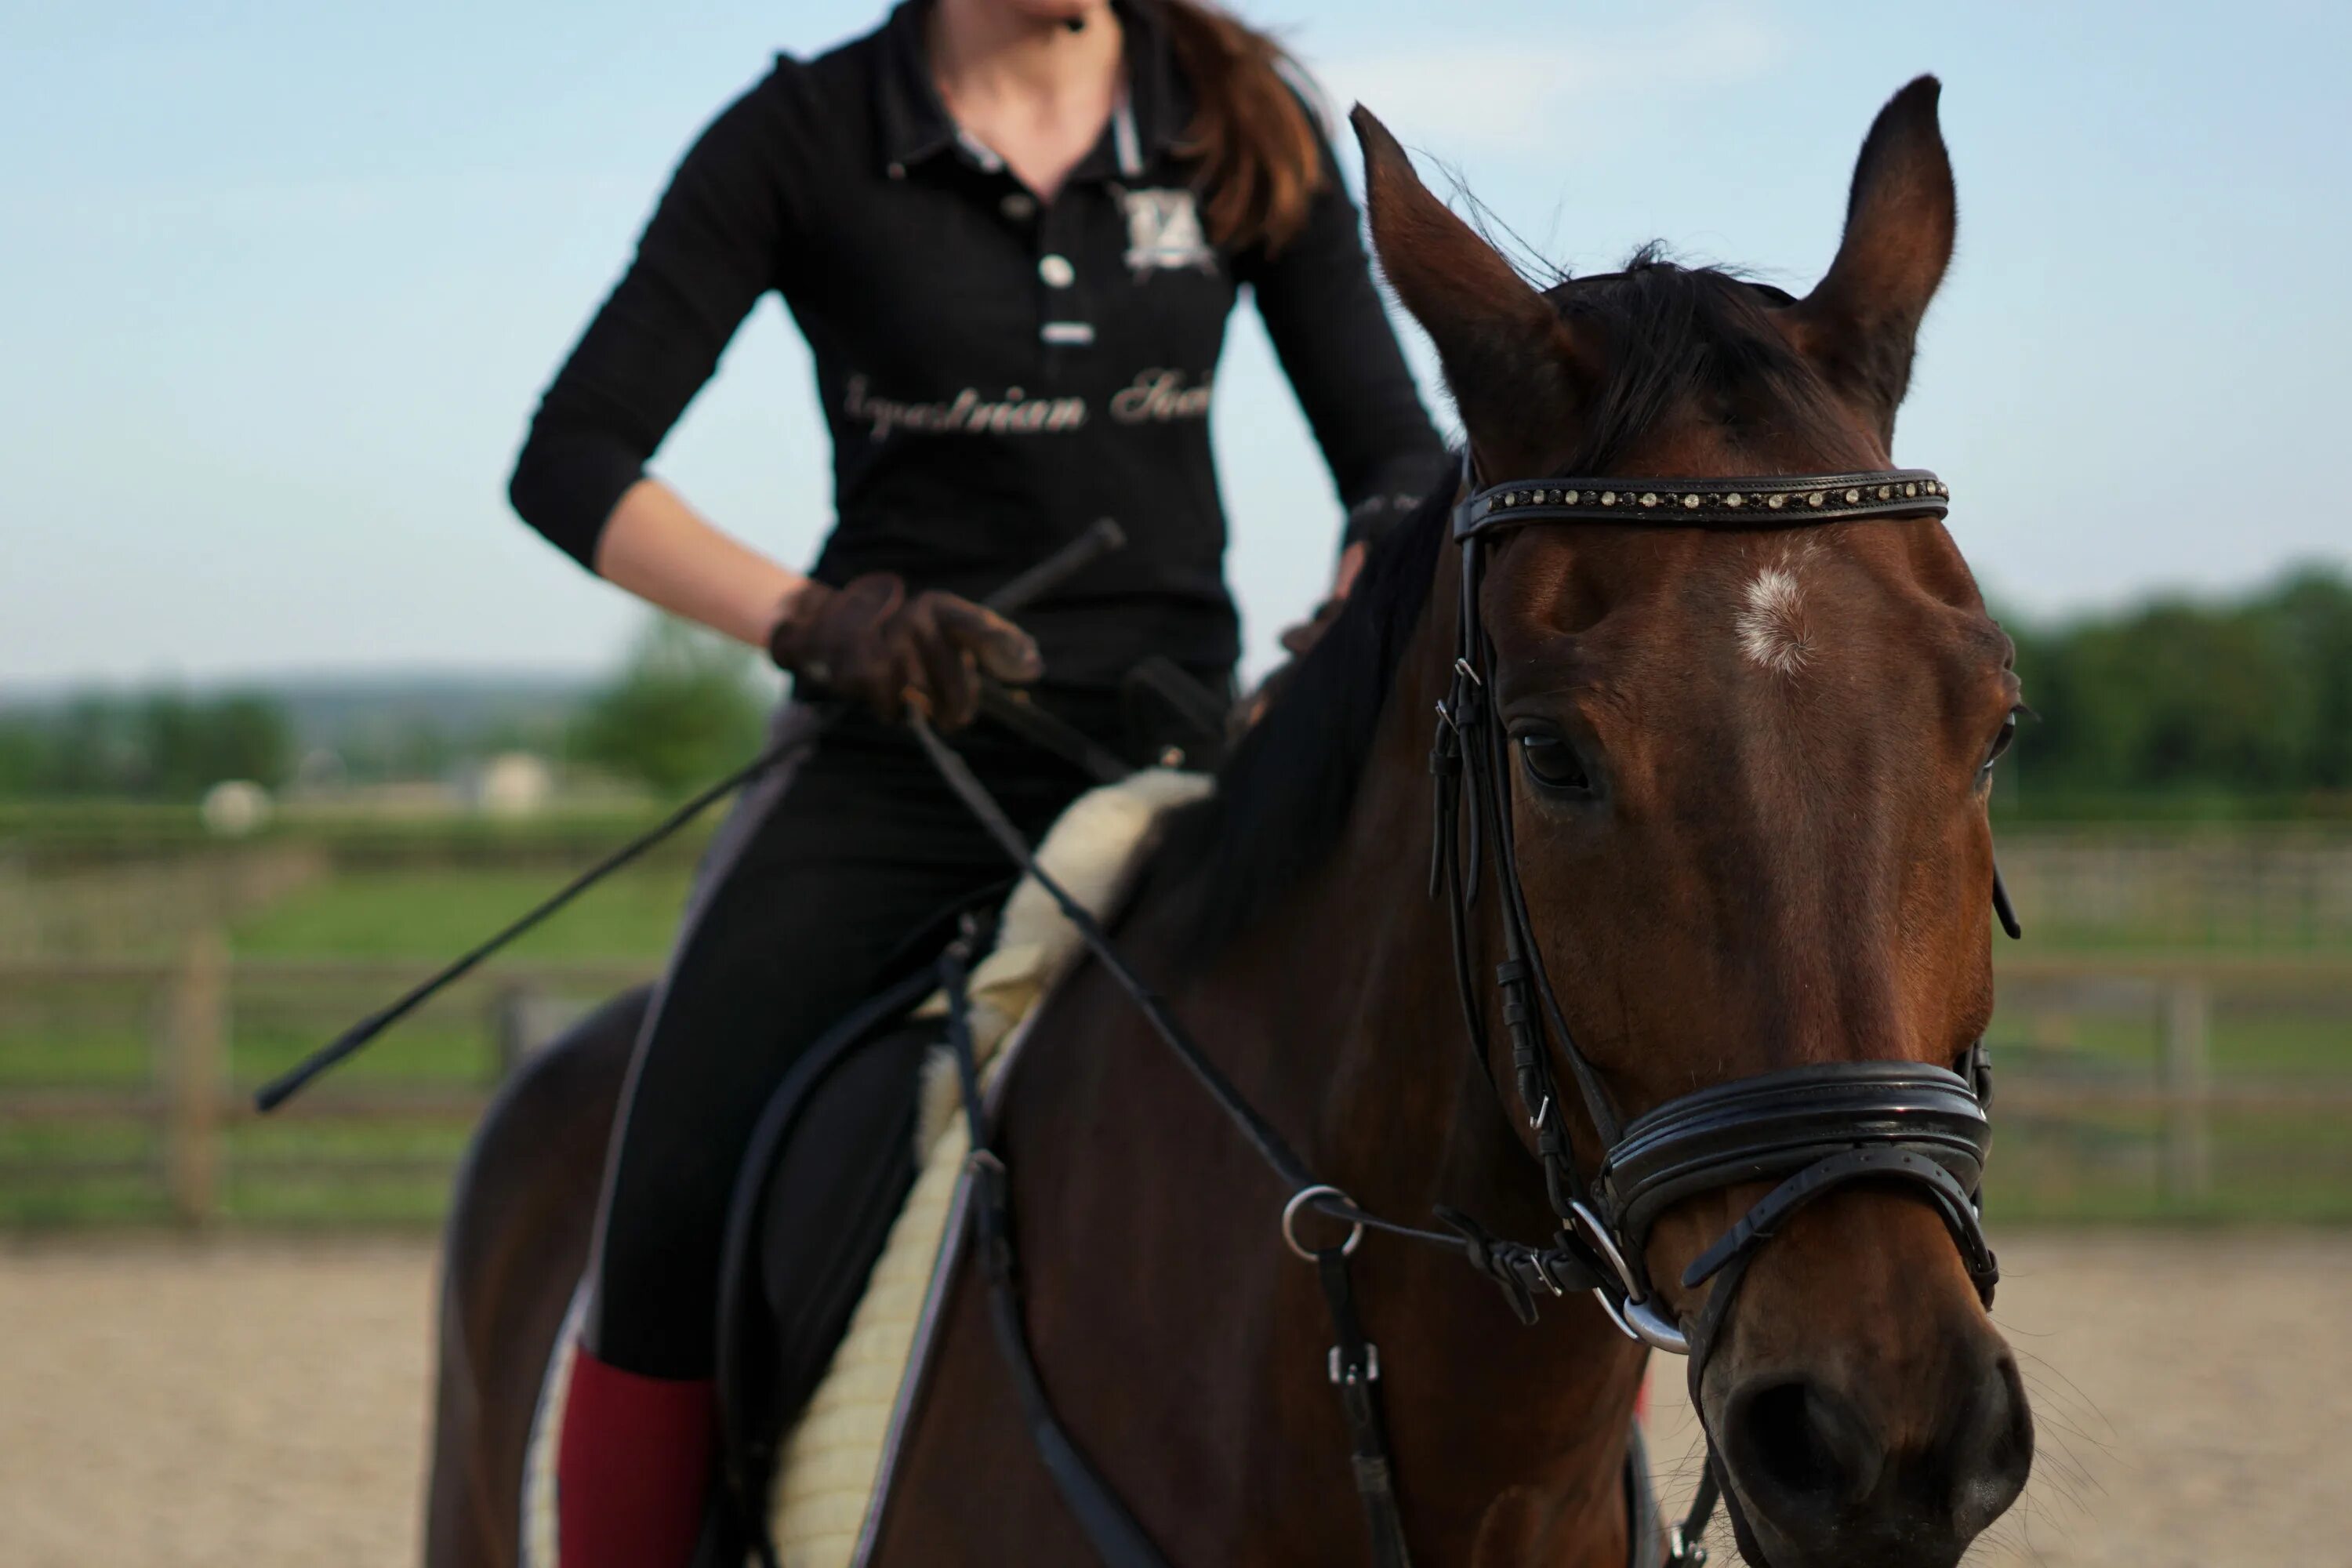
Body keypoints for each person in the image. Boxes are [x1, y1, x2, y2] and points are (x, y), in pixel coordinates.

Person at [506, 0, 1446, 1560]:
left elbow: (1399, 458)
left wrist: (1365, 588)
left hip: (1172, 751)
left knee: (1482, 1063)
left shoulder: (1236, 120)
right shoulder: (802, 135)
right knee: (667, 1183)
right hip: (896, 753)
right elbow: (572, 456)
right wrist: (812, 620)